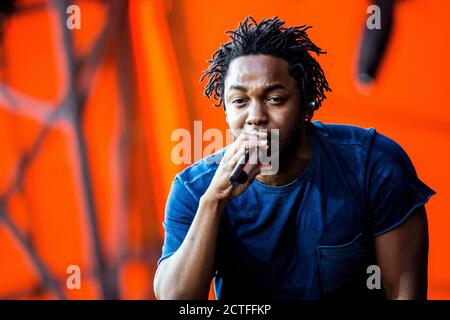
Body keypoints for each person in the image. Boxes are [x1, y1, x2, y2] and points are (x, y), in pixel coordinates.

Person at [153, 16, 435, 300]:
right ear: (225, 110)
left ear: (307, 105)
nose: (255, 117)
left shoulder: (373, 165)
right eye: (239, 101)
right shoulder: (195, 190)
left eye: (274, 99)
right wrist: (213, 203)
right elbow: (177, 299)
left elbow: (403, 291)